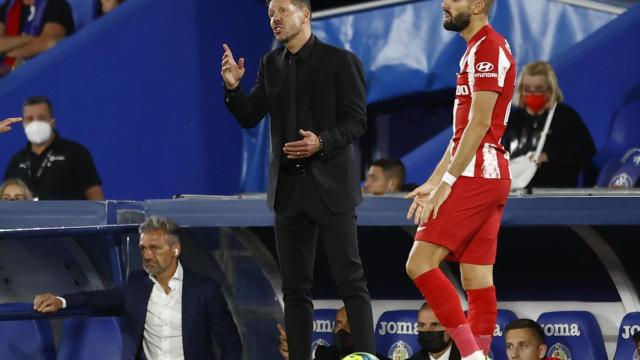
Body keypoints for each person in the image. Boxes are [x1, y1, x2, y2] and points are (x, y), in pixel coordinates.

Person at [221, 0, 375, 358]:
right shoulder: (270, 64)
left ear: (305, 14)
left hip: (332, 189)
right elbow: (249, 116)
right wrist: (232, 90)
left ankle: (367, 356)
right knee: (294, 289)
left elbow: (357, 122)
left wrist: (320, 143)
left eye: (282, 10)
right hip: (289, 192)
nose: (275, 18)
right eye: (270, 13)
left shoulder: (340, 61)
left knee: (351, 282)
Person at [404, 1, 515, 359]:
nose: (444, 3)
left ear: (479, 5)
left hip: (477, 175)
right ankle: (478, 353)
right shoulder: (476, 49)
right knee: (476, 280)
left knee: (419, 263)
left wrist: (448, 182)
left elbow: (480, 126)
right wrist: (435, 179)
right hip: (484, 172)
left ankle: (470, 355)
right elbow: (463, 133)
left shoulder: (489, 49)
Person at [33, 216, 243, 360]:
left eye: (155, 248)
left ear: (175, 249)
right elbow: (99, 298)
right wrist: (61, 301)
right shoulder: (136, 285)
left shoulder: (205, 290)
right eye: (143, 249)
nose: (147, 255)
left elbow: (231, 344)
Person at [502, 61, 596, 188]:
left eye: (538, 89)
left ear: (550, 90)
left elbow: (587, 150)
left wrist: (549, 157)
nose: (532, 93)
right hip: (514, 192)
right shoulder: (513, 117)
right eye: (527, 89)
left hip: (553, 193)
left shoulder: (565, 116)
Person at [4, 96, 104, 200]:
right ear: (23, 124)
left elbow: (96, 199)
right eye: (30, 119)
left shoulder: (75, 153)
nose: (35, 123)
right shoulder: (16, 161)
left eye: (41, 118)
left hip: (68, 216)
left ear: (52, 121)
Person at [0, 0, 75, 74]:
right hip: (9, 75)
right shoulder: (8, 7)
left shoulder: (56, 5)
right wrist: (28, 39)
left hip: (44, 74)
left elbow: (48, 43)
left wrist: (6, 52)